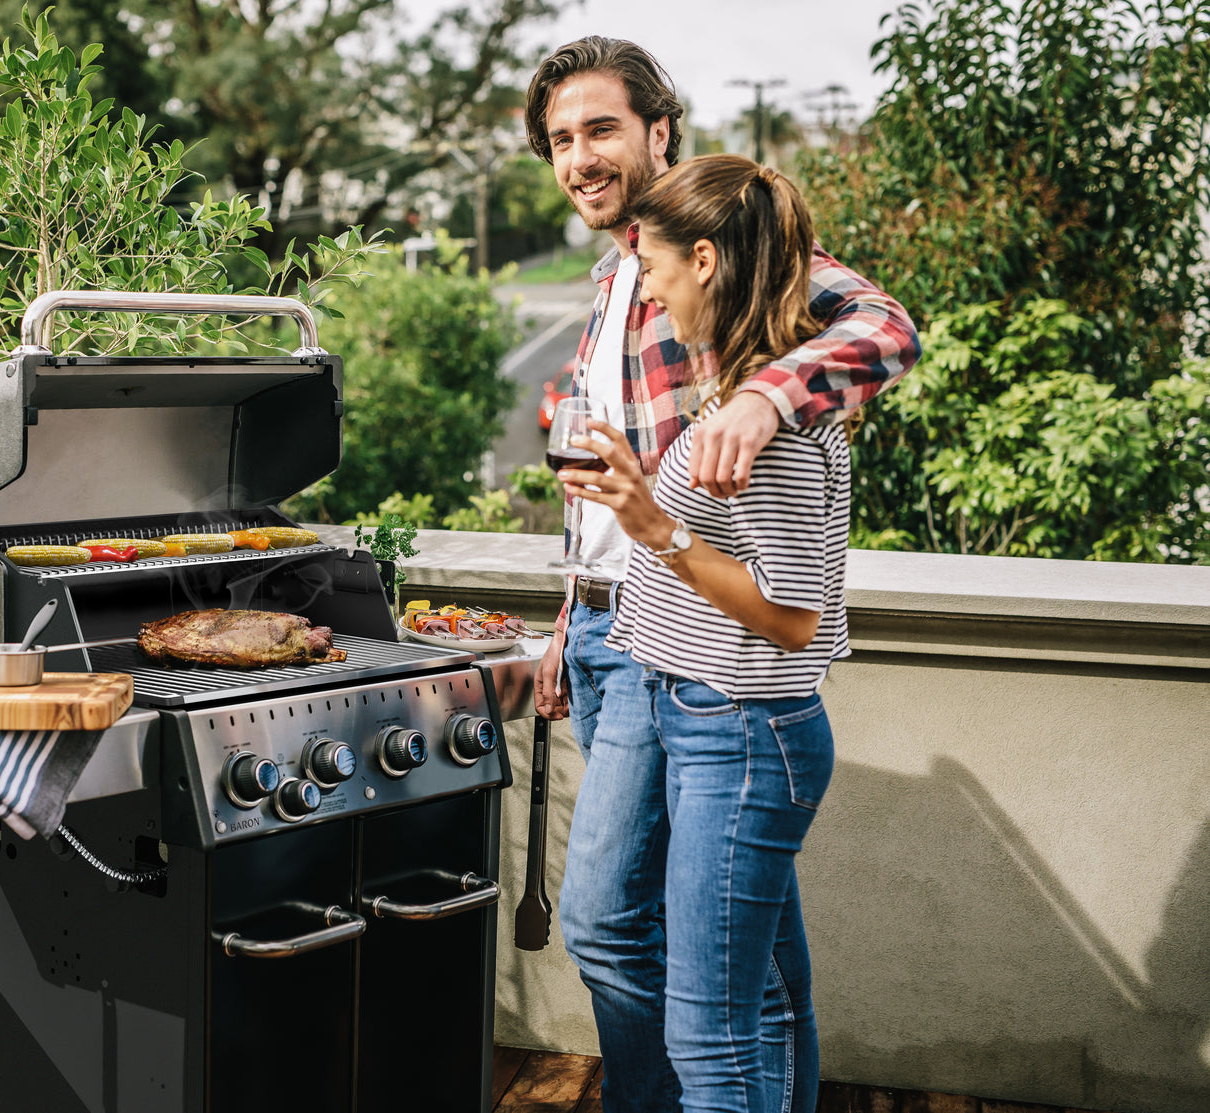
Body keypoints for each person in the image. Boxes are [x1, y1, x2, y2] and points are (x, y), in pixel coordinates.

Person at [522, 37, 921, 1113]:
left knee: (620, 935)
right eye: (560, 140)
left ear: (660, 129)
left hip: (704, 657)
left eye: (600, 129)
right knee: (754, 962)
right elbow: (609, 491)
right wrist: (570, 616)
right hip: (619, 631)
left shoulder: (720, 245)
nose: (579, 158)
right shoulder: (615, 280)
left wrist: (765, 398)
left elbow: (886, 325)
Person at [560, 152, 846, 1113]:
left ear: (708, 262)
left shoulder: (772, 420)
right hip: (704, 718)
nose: (646, 283)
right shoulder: (729, 396)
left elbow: (792, 616)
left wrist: (657, 529)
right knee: (752, 1002)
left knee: (711, 1041)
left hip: (744, 732)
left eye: (657, 267)